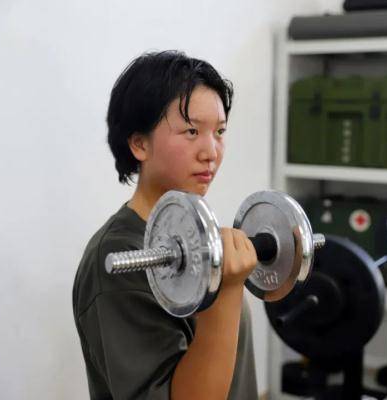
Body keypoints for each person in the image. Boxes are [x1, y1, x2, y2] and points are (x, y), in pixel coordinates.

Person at [72, 50, 259, 400]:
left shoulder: (198, 237)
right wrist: (227, 292)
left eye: (219, 131)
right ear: (139, 143)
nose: (211, 152)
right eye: (191, 131)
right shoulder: (116, 261)